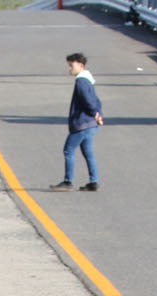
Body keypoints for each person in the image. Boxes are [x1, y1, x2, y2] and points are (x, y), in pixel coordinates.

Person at [51, 52, 102, 193]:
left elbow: (89, 101)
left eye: (71, 65)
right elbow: (97, 101)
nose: (69, 68)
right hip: (90, 124)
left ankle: (68, 181)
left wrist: (94, 113)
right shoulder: (88, 80)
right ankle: (94, 182)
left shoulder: (81, 81)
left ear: (81, 65)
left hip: (82, 124)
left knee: (68, 150)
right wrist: (98, 115)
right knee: (88, 153)